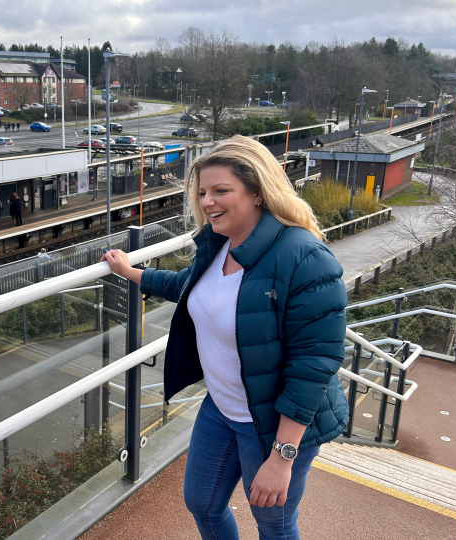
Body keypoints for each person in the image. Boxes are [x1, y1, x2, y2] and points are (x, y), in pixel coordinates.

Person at [101, 136, 348, 540]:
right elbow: (188, 285)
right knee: (202, 502)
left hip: (272, 421)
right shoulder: (219, 244)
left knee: (274, 521)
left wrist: (282, 457)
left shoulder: (304, 257)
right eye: (201, 193)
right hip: (222, 406)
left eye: (220, 191)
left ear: (256, 192)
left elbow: (314, 365)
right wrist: (132, 272)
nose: (207, 203)